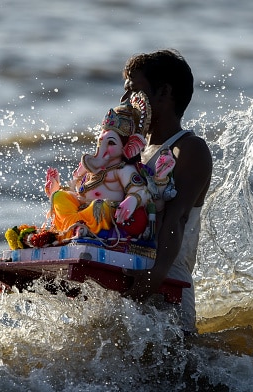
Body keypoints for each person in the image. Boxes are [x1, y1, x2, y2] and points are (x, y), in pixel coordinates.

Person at [120, 49, 213, 333]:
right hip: (128, 281)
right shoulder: (129, 152)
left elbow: (177, 217)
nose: (125, 102)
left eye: (134, 91)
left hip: (168, 286)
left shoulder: (188, 149)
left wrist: (154, 277)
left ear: (164, 92)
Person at [44, 94, 156, 241]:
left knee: (99, 207)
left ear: (130, 146)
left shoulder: (123, 170)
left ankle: (82, 230)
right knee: (59, 197)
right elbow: (79, 193)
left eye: (111, 143)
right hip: (83, 211)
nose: (102, 148)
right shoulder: (92, 167)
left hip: (104, 213)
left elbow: (140, 190)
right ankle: (74, 228)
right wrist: (57, 188)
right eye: (101, 142)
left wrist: (132, 199)